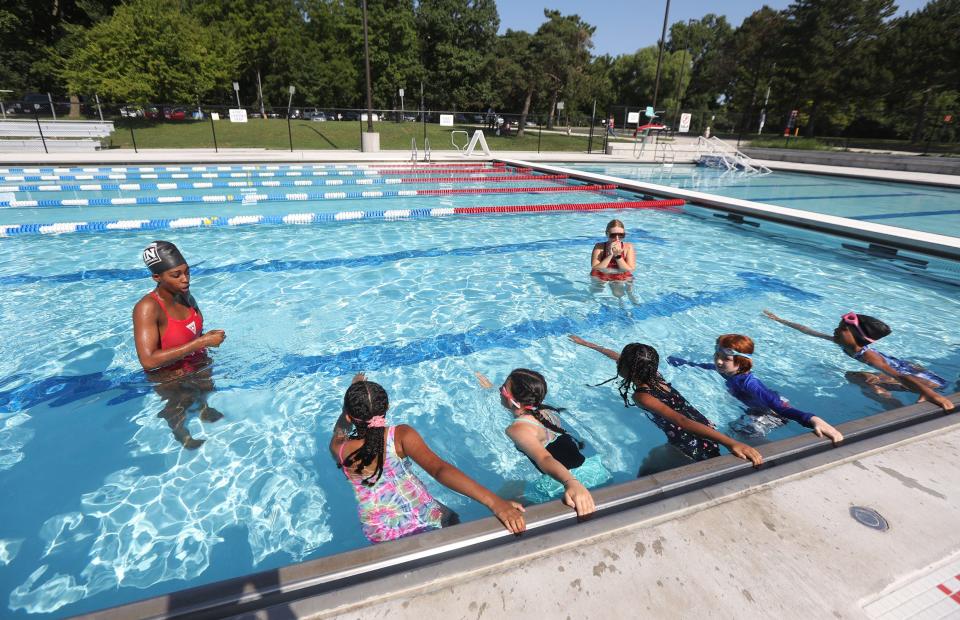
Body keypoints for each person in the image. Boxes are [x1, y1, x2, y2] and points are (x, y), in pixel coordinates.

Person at [330, 374, 525, 543]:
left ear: (349, 416)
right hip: (425, 516)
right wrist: (495, 503)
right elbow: (440, 470)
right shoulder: (400, 436)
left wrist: (351, 399)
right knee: (451, 522)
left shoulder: (338, 448)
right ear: (387, 407)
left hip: (380, 530)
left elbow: (341, 429)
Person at [568, 336, 763, 474]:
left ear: (626, 369)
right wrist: (589, 344)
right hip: (705, 428)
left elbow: (681, 421)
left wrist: (732, 443)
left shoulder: (642, 396)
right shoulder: (655, 377)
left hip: (687, 441)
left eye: (622, 363)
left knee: (647, 470)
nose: (618, 364)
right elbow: (616, 356)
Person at [474, 368, 608, 517]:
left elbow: (545, 458)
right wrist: (492, 389)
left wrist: (570, 482)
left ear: (515, 401)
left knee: (503, 495)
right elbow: (520, 411)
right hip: (594, 469)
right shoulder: (546, 411)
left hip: (570, 483)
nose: (500, 390)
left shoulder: (516, 429)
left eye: (503, 388)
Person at [132, 241, 226, 449]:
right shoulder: (147, 308)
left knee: (205, 391)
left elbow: (193, 331)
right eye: (176, 275)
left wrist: (207, 342)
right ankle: (182, 435)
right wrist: (201, 342)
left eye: (187, 272)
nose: (185, 280)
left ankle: (204, 409)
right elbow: (148, 361)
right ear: (157, 277)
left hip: (198, 364)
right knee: (178, 406)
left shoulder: (186, 296)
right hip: (169, 376)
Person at [763, 310, 954, 411]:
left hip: (926, 382)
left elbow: (898, 375)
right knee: (860, 375)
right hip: (913, 371)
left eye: (843, 329)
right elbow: (809, 331)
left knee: (855, 376)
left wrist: (930, 393)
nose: (836, 330)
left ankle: (893, 407)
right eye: (839, 326)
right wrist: (780, 320)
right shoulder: (843, 342)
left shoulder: (868, 355)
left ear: (858, 337)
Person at [668, 334, 843, 444]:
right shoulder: (724, 370)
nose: (718, 361)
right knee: (732, 430)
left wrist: (813, 419)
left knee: (738, 432)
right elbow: (698, 366)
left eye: (725, 359)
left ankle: (773, 455)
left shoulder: (749, 384)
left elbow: (780, 407)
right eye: (717, 356)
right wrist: (672, 360)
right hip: (757, 408)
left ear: (741, 362)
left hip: (772, 413)